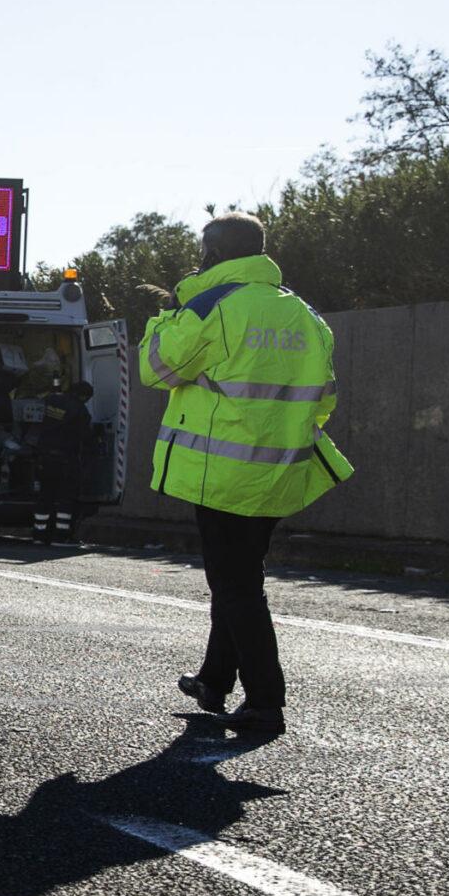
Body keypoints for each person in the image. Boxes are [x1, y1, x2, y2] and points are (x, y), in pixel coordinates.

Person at [139, 212, 353, 734]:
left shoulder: (212, 306)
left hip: (222, 472)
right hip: (280, 471)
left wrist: (166, 314)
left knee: (236, 587)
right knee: (237, 579)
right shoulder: (303, 313)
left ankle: (264, 701)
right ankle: (214, 681)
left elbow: (156, 368)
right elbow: (323, 398)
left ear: (213, 253)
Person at [32, 379, 93, 544]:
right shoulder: (80, 410)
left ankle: (39, 535)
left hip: (44, 458)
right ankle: (61, 535)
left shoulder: (51, 401)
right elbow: (85, 437)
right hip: (65, 460)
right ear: (83, 396)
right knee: (65, 498)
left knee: (45, 496)